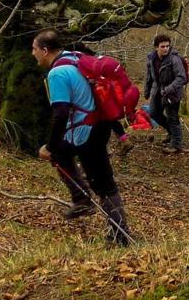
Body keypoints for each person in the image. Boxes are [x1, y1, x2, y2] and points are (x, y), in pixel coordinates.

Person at [31, 29, 131, 247]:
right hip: (99, 126)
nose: (33, 53)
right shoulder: (75, 58)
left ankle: (119, 236)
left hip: (86, 133)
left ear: (45, 50)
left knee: (103, 184)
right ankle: (83, 200)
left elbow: (60, 114)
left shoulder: (57, 73)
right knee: (67, 158)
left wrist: (50, 145)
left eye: (35, 49)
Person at [144, 34, 188, 154]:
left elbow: (181, 78)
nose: (165, 49)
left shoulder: (175, 59)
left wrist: (168, 89)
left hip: (172, 92)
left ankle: (176, 145)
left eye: (167, 46)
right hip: (157, 90)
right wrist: (147, 91)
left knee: (172, 117)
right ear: (156, 47)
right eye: (162, 46)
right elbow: (149, 76)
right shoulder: (151, 58)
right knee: (153, 113)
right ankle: (171, 133)